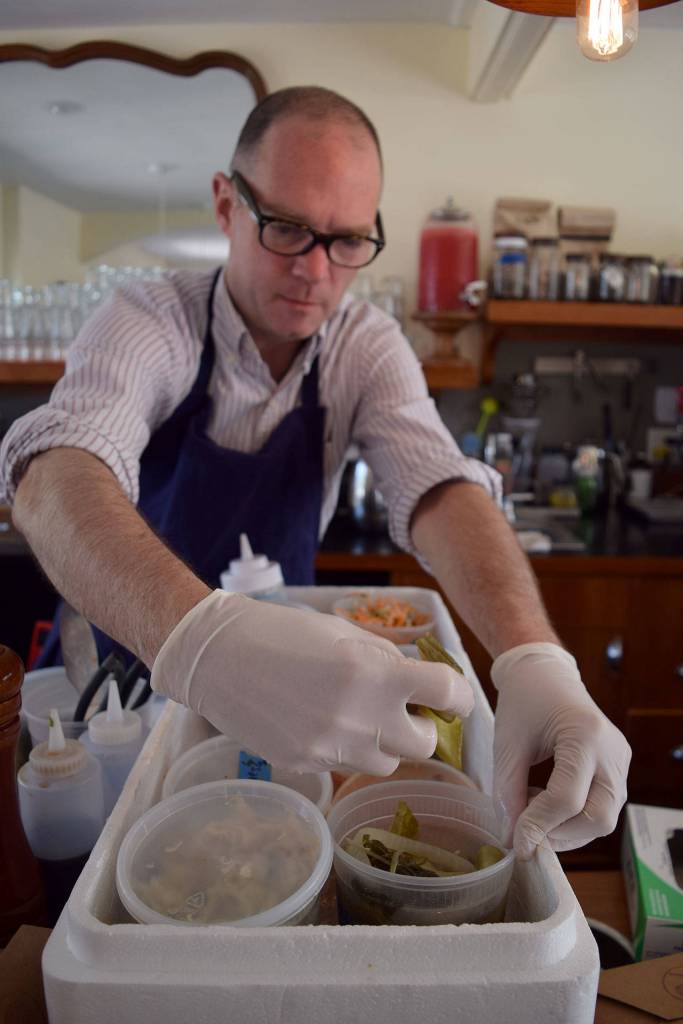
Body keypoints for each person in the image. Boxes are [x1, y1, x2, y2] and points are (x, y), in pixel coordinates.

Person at [0, 86, 630, 861]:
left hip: (289, 693)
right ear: (226, 204)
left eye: (347, 240)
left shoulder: (363, 345)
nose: (315, 271)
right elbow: (54, 476)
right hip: (119, 693)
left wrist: (532, 655)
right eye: (288, 229)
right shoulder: (151, 320)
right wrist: (204, 643)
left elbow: (437, 485)